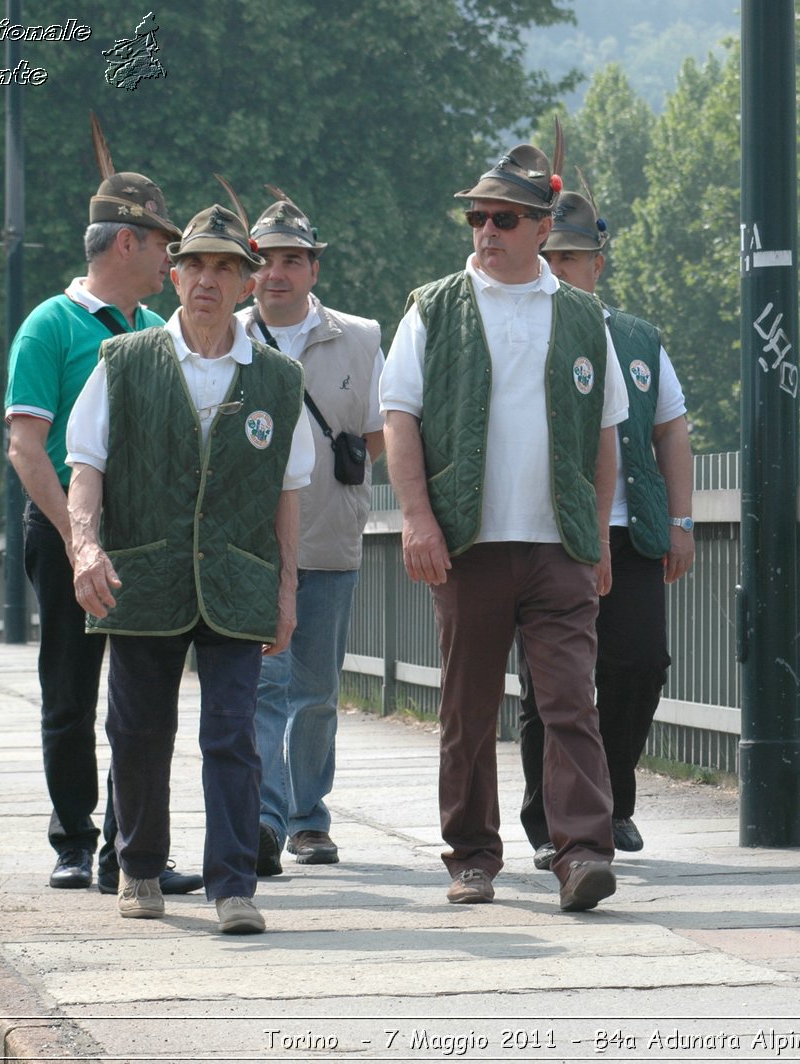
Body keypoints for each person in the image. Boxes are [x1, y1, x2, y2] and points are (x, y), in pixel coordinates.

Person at [380, 142, 628, 912]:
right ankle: (472, 857)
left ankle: (583, 852)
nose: (486, 230)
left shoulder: (582, 315)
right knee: (468, 707)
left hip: (559, 547)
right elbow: (399, 418)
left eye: (504, 218)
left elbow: (606, 433)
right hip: (467, 545)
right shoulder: (434, 306)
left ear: (541, 226)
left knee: (570, 703)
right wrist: (417, 519)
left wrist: (600, 537)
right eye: (478, 216)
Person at [66, 201, 315, 935]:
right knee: (139, 729)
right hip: (144, 577)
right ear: (173, 275)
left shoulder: (278, 378)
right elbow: (86, 466)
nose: (209, 278)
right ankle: (139, 865)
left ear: (246, 281)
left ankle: (234, 884)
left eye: (226, 267)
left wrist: (287, 589)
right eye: (196, 264)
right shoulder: (125, 360)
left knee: (232, 734)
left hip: (238, 579)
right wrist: (85, 546)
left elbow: (288, 494)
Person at [5, 163, 204, 898]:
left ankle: (131, 846)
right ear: (128, 242)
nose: (170, 260)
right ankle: (73, 837)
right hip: (64, 528)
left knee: (143, 693)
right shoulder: (49, 327)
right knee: (70, 687)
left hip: (143, 532)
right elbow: (28, 448)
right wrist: (76, 536)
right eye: (163, 244)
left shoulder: (158, 332)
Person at [515, 188, 696, 869]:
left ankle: (611, 801)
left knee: (641, 664)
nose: (562, 269)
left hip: (631, 531)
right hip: (551, 531)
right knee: (548, 682)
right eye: (551, 256)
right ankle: (547, 820)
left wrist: (680, 519)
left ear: (599, 265)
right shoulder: (526, 330)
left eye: (574, 258)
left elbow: (670, 429)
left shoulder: (638, 338)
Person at [235, 190, 384, 874]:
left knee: (318, 689)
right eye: (266, 259)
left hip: (328, 540)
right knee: (262, 685)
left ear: (314, 269)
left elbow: (385, 433)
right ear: (250, 267)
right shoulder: (228, 337)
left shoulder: (360, 337)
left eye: (293, 260)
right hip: (249, 545)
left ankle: (308, 817)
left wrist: (343, 462)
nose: (278, 273)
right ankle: (265, 816)